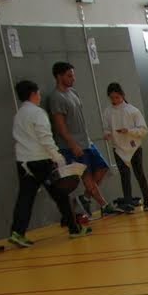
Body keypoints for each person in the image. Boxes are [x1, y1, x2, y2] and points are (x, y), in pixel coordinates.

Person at [8, 79, 84, 245]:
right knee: (61, 194)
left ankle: (17, 232)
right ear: (34, 94)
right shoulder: (37, 113)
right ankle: (74, 229)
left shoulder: (19, 114)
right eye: (39, 93)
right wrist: (57, 156)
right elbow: (45, 137)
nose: (40, 96)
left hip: (23, 162)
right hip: (40, 161)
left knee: (25, 198)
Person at [46, 61, 120, 218]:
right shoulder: (56, 98)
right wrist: (72, 145)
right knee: (86, 175)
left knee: (102, 168)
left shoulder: (73, 93)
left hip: (86, 142)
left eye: (73, 75)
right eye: (69, 75)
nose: (73, 78)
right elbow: (60, 126)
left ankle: (84, 198)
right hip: (71, 146)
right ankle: (104, 205)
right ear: (59, 77)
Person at [102, 82, 148, 212]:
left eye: (117, 97)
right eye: (112, 98)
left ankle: (147, 200)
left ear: (122, 95)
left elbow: (143, 130)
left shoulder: (133, 110)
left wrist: (129, 131)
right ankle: (128, 203)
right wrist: (107, 134)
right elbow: (107, 128)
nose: (115, 100)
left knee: (139, 173)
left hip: (134, 146)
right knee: (124, 176)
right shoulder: (108, 112)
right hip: (118, 147)